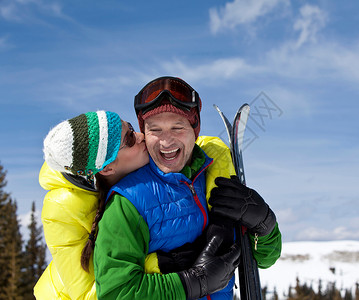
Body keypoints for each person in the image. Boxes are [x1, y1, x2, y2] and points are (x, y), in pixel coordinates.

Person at [94, 76, 282, 299]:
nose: (166, 142)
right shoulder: (128, 202)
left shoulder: (214, 177)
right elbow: (115, 292)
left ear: (195, 130)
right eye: (155, 130)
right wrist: (193, 282)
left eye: (177, 127)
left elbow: (263, 259)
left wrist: (265, 224)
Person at [34, 111, 150, 299]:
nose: (141, 136)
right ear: (106, 168)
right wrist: (159, 264)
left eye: (132, 128)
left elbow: (202, 144)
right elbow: (89, 293)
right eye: (129, 138)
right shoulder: (61, 208)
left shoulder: (133, 163)